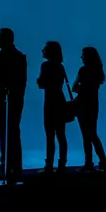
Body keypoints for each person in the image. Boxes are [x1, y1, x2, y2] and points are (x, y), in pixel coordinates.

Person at [0, 28, 27, 180]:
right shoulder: (19, 57)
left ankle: (6, 167)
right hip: (11, 101)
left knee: (4, 134)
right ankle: (13, 167)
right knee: (12, 134)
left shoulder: (4, 56)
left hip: (3, 100)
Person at [73, 46, 106, 172]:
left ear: (87, 57)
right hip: (93, 104)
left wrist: (80, 88)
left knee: (86, 135)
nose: (81, 57)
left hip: (82, 103)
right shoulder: (98, 71)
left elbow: (74, 87)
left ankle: (88, 163)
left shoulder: (83, 70)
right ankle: (103, 161)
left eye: (82, 55)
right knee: (93, 134)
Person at [36, 41, 70, 174]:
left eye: (45, 48)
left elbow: (41, 84)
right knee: (61, 135)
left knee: (50, 135)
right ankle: (62, 164)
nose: (42, 50)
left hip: (50, 102)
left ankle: (49, 165)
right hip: (60, 101)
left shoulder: (45, 65)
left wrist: (39, 80)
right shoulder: (60, 66)